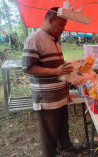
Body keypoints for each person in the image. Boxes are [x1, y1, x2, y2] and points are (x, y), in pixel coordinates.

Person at [22, 7, 85, 157]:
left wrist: (75, 64)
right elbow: (28, 67)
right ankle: (50, 154)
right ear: (51, 20)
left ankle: (66, 146)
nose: (64, 29)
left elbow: (58, 67)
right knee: (49, 131)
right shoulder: (34, 39)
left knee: (62, 125)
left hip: (60, 94)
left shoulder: (54, 40)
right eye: (62, 25)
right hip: (47, 98)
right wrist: (54, 72)